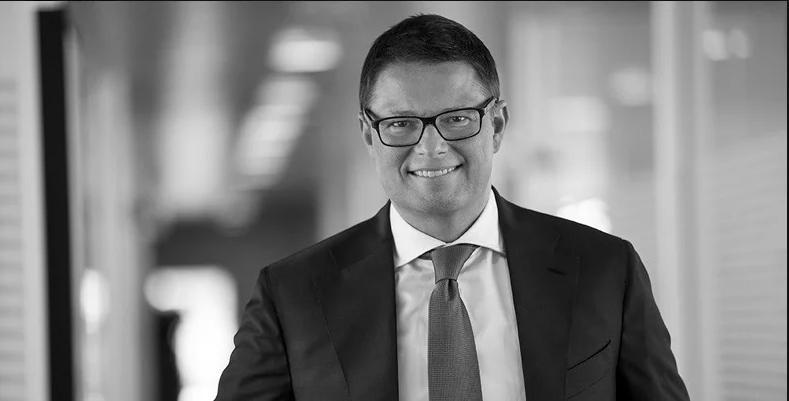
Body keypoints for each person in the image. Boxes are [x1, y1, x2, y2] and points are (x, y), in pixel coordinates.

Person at [215, 13, 690, 401]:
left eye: (457, 119)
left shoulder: (605, 269)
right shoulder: (294, 295)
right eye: (401, 123)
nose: (431, 147)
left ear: (496, 125)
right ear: (368, 135)